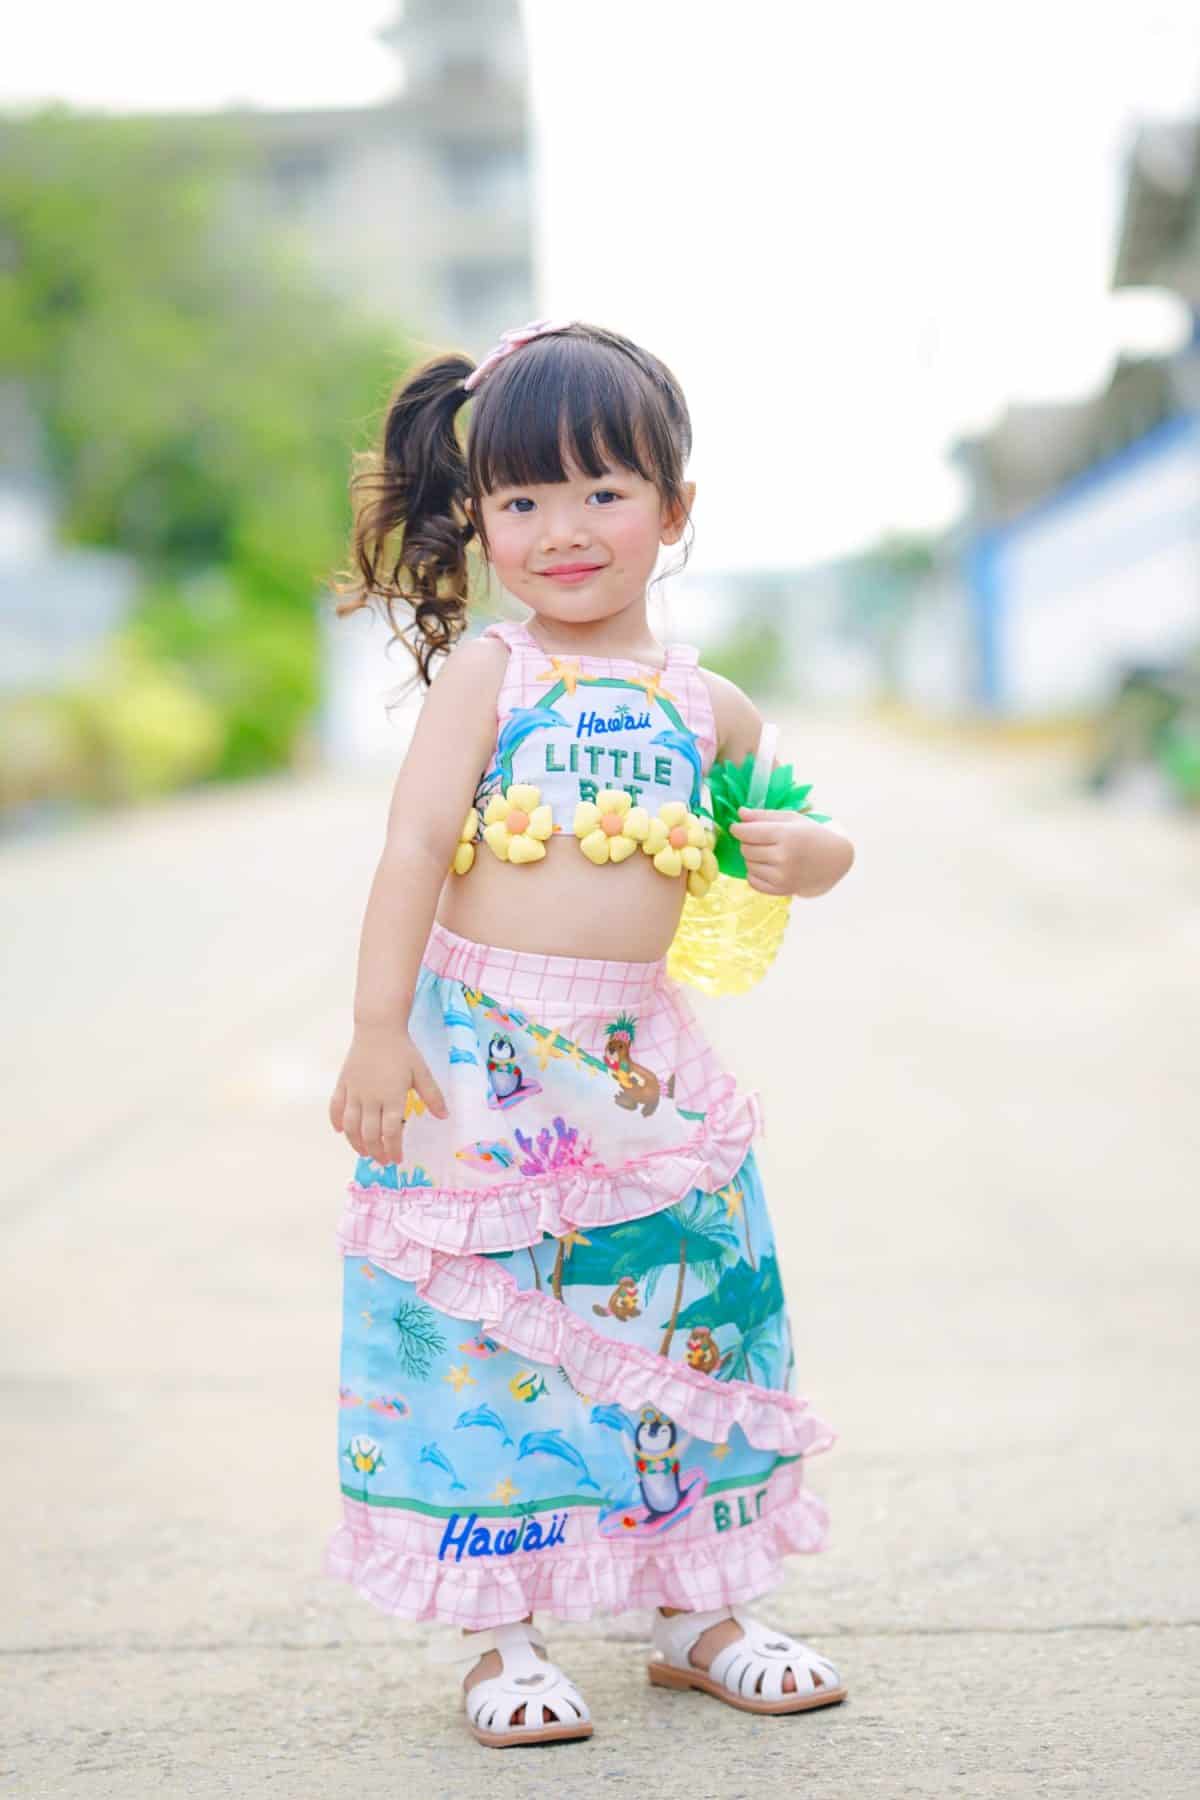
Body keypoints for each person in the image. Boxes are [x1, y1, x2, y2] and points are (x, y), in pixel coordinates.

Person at [325, 319, 855, 1749]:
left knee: (695, 1315)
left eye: (603, 492)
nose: (563, 531)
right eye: (522, 501)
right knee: (486, 1345)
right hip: (483, 1059)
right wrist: (381, 1034)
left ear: (675, 512)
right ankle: (499, 1635)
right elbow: (412, 848)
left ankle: (702, 1612)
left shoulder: (709, 704)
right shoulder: (486, 680)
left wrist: (814, 853)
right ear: (482, 519)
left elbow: (777, 838)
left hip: (642, 1076)